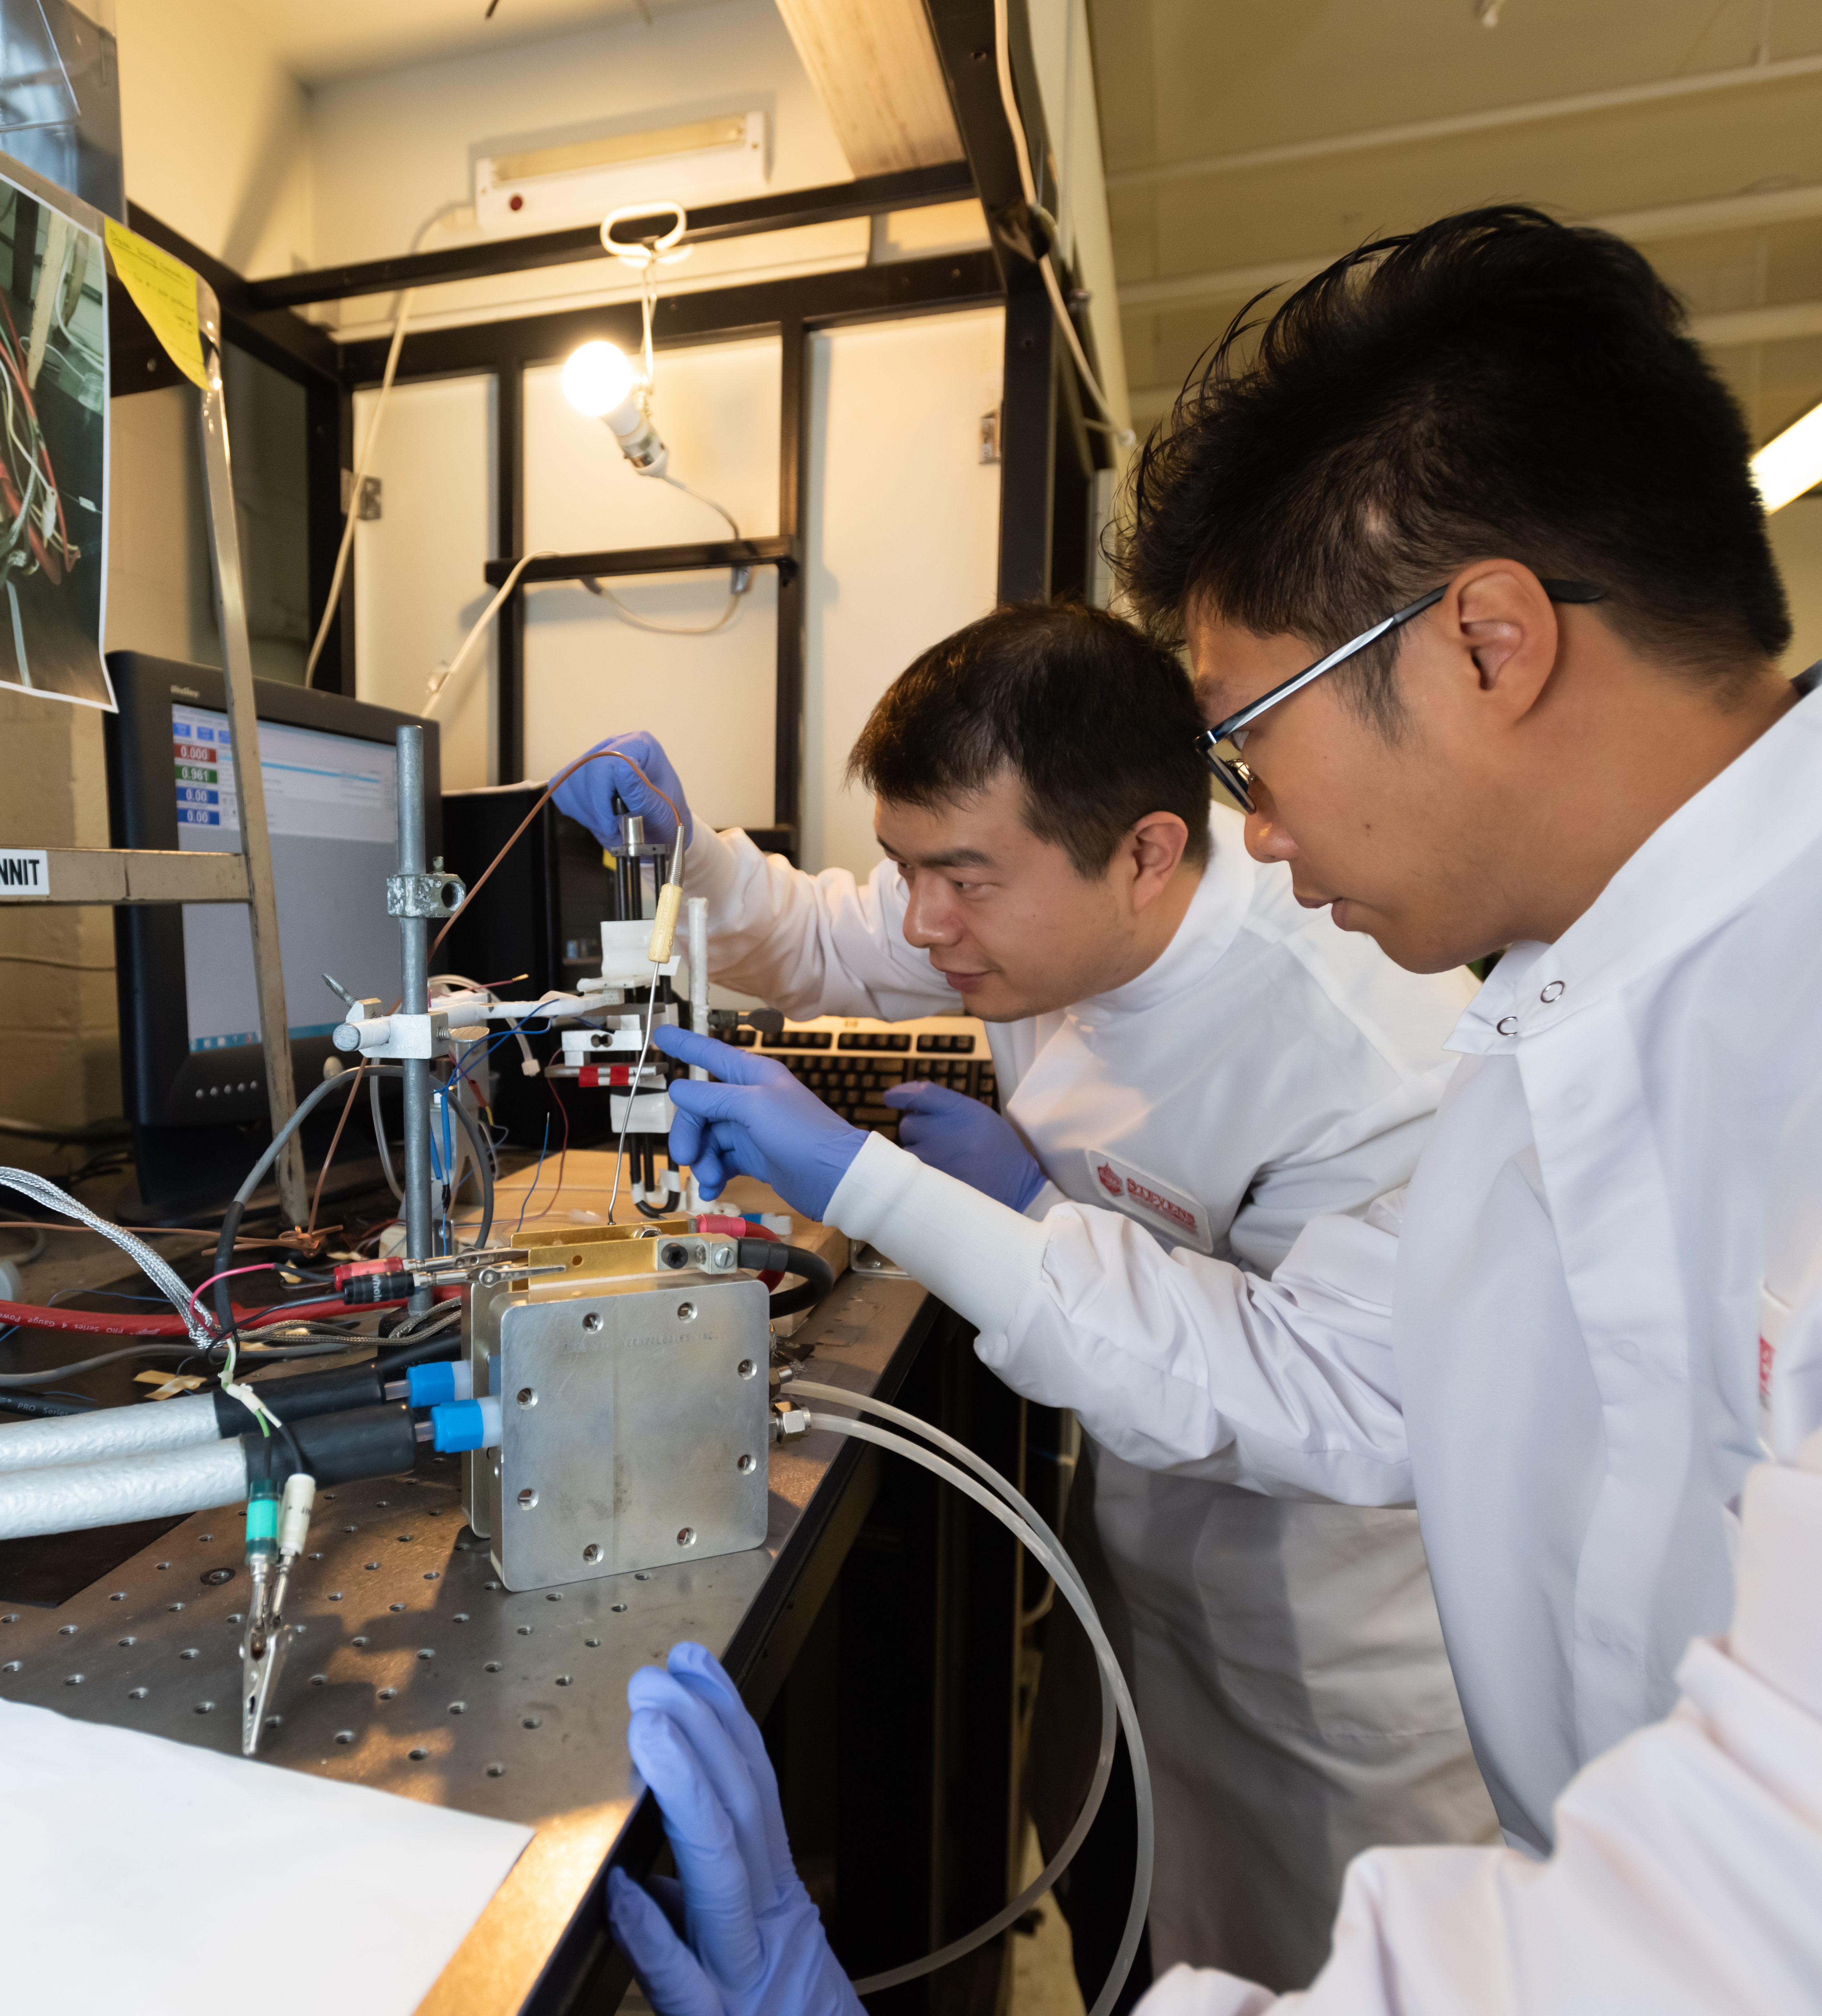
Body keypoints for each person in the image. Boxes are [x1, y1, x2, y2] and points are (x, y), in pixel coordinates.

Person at [615, 205, 1822, 2013]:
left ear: (1488, 645)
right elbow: (1359, 1376)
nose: (1254, 831)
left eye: (1243, 738)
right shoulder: (1565, 992)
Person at [549, 602, 1495, 1989]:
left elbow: (1317, 1401)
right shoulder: (1025, 910)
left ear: (1148, 854)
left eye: (966, 880)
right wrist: (687, 851)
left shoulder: (1356, 1046)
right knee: (1114, 1900)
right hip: (1141, 1572)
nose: (926, 924)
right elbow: (816, 939)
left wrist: (969, 1202)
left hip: (1330, 1676)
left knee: (1293, 1970)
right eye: (905, 866)